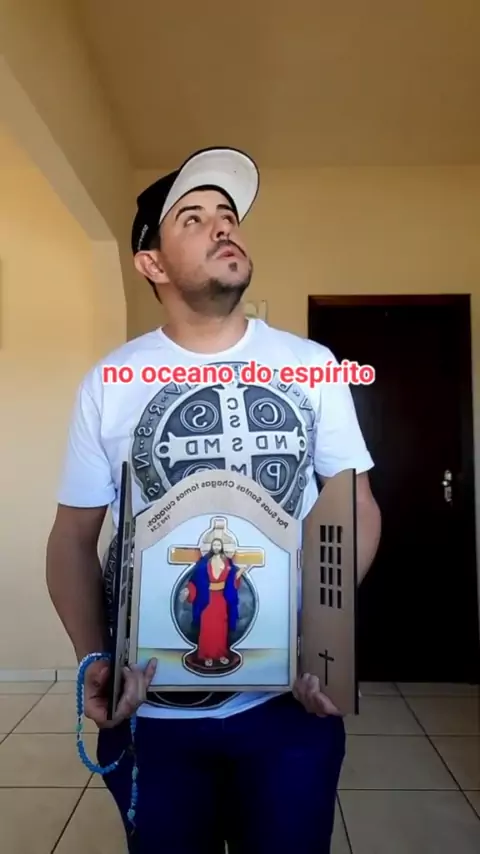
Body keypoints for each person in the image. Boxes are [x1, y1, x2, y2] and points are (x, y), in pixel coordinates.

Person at [46, 146, 381, 854]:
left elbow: (354, 503)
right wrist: (92, 659)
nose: (223, 226)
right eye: (193, 219)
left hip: (288, 708)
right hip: (151, 713)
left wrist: (326, 640)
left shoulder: (313, 366)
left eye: (227, 214)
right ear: (152, 264)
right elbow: (72, 539)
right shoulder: (109, 382)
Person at [181, 537, 243, 669]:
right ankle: (206, 655)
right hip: (207, 599)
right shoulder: (204, 563)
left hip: (221, 599)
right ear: (211, 547)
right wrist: (188, 591)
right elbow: (195, 581)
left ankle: (221, 654)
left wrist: (239, 574)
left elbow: (232, 580)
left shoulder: (227, 562)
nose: (216, 547)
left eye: (218, 545)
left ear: (221, 546)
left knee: (221, 628)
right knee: (207, 627)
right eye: (214, 545)